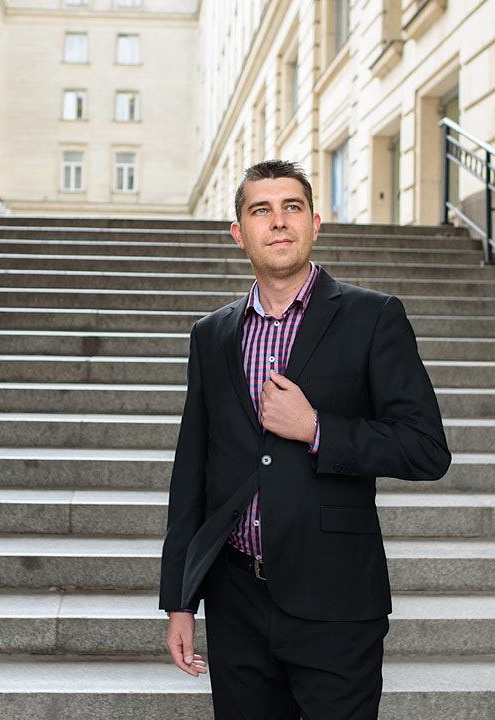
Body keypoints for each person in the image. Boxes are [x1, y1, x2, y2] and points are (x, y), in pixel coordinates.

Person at [159, 159, 452, 718]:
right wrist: (179, 599)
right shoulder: (212, 335)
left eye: (291, 207)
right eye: (260, 210)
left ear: (315, 223)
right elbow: (191, 470)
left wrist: (317, 428)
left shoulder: (374, 317)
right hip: (236, 598)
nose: (278, 222)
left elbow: (426, 449)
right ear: (238, 232)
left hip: (336, 598)